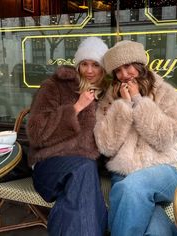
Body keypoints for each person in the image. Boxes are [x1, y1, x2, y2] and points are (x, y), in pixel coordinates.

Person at [94, 40, 177, 236]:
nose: (124, 75)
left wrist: (138, 102)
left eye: (128, 67)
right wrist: (124, 108)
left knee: (130, 189)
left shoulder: (166, 93)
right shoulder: (109, 99)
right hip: (124, 173)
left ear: (139, 65)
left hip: (161, 171)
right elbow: (106, 146)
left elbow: (166, 138)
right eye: (118, 71)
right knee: (156, 230)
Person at [26, 37, 110, 236]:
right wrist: (76, 107)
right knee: (83, 171)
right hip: (49, 167)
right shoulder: (55, 86)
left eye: (95, 65)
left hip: (85, 173)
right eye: (84, 64)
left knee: (82, 184)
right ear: (77, 65)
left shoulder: (108, 96)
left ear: (103, 69)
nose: (89, 70)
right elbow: (36, 132)